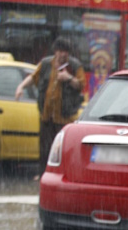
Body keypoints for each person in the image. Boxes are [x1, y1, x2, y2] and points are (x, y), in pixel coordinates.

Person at [16, 38, 87, 178]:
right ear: (55, 52)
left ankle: (62, 174)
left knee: (62, 149)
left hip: (65, 118)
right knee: (44, 147)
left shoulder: (74, 66)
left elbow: (81, 85)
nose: (63, 55)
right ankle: (43, 173)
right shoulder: (46, 64)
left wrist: (68, 78)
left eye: (65, 52)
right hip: (47, 116)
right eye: (60, 51)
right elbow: (33, 77)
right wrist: (21, 87)